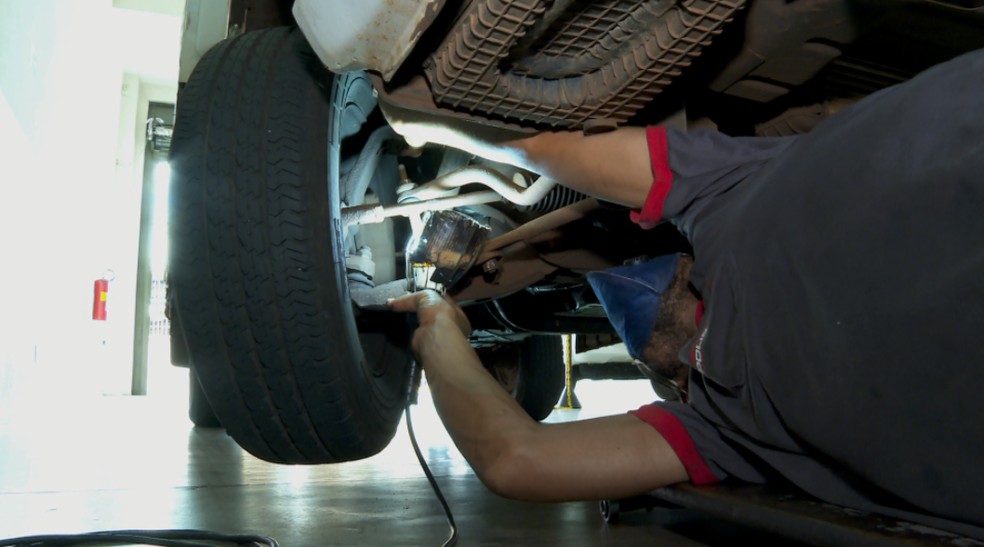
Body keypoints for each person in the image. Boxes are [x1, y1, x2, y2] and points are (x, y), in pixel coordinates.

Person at [388, 48, 984, 539]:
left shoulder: (730, 430)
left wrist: (439, 328)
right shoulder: (725, 194)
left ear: (676, 383)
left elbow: (514, 459)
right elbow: (547, 150)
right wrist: (435, 126)